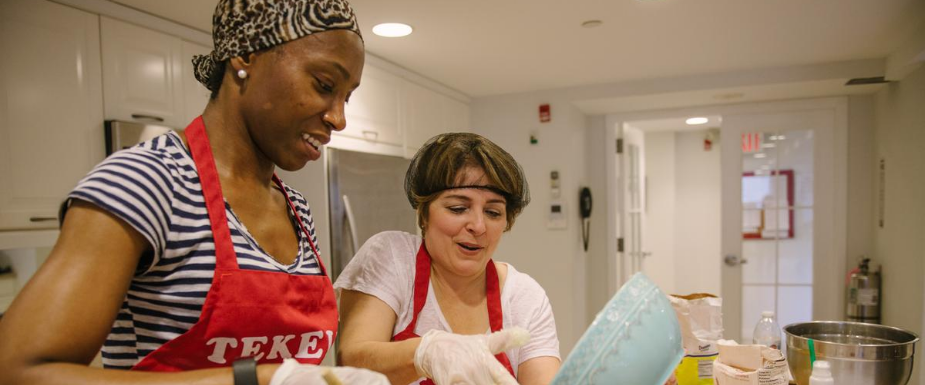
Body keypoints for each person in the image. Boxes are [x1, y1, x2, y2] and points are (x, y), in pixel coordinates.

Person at [0, 0, 387, 384]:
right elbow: (20, 372)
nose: (339, 118)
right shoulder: (146, 182)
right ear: (246, 56)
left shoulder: (295, 208)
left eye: (346, 97)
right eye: (324, 85)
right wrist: (253, 380)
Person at [335, 133, 562, 385]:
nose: (478, 226)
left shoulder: (524, 297)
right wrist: (426, 353)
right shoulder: (393, 258)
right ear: (424, 214)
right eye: (458, 208)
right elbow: (351, 363)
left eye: (493, 212)